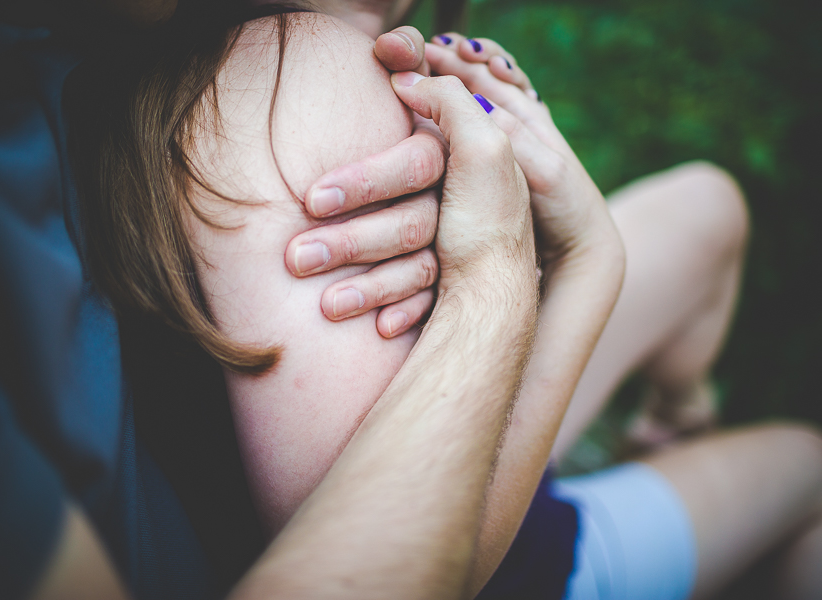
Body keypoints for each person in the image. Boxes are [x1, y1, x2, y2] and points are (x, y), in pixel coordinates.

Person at [73, 3, 822, 600]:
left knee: (709, 206)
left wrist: (497, 221)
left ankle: (675, 418)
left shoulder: (146, 73)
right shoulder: (288, 70)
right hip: (517, 560)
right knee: (807, 464)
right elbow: (428, 564)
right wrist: (583, 267)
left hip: (477, 413)